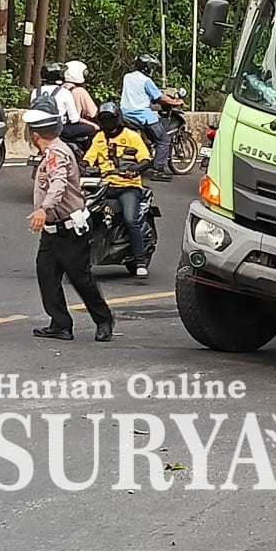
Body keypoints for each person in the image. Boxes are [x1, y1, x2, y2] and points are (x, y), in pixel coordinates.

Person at [24, 96, 115, 342]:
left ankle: (103, 319)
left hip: (69, 230)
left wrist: (43, 209)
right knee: (47, 275)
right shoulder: (50, 152)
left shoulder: (56, 153)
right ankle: (60, 324)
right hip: (52, 230)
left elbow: (58, 184)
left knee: (80, 278)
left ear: (35, 135)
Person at [83, 102, 153, 278]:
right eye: (104, 119)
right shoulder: (99, 138)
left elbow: (146, 159)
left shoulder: (132, 136)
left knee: (130, 220)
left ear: (118, 118)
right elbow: (89, 158)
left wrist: (135, 169)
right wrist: (82, 165)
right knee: (83, 213)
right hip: (104, 186)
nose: (108, 122)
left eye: (111, 119)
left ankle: (140, 261)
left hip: (129, 187)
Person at [120, 53, 182, 182]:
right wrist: (176, 102)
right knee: (164, 140)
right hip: (142, 116)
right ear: (146, 67)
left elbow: (139, 94)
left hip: (125, 114)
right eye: (151, 67)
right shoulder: (146, 81)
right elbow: (160, 97)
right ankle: (158, 170)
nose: (152, 70)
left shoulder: (127, 77)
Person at [35, 62, 97, 143]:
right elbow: (92, 113)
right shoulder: (78, 91)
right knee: (92, 129)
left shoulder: (56, 89)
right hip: (65, 127)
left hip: (44, 127)